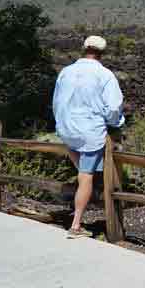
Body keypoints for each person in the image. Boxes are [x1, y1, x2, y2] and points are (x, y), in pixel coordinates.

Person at [53, 35, 125, 239]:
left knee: (84, 171)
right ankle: (76, 226)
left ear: (83, 48)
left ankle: (88, 193)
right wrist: (116, 123)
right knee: (86, 176)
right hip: (89, 132)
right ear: (102, 53)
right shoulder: (105, 75)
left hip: (67, 129)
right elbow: (113, 108)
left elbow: (57, 102)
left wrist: (61, 123)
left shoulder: (65, 72)